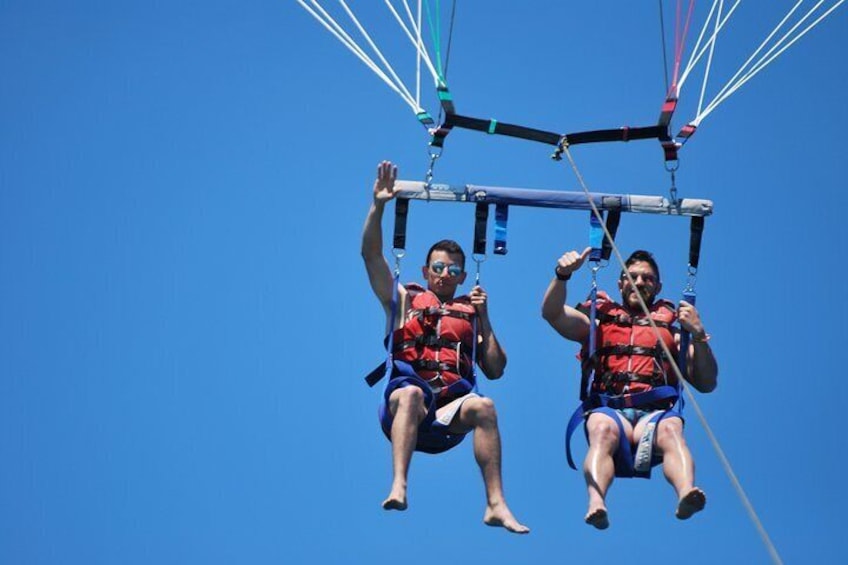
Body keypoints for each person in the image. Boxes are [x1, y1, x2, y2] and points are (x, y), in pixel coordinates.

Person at [361, 160, 529, 534]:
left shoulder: (470, 312)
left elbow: (496, 370)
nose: (444, 276)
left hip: (449, 415)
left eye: (453, 272)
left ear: (463, 277)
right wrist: (379, 206)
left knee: (485, 406)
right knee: (409, 396)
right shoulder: (403, 301)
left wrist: (485, 319)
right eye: (438, 268)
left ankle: (496, 504)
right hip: (406, 410)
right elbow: (371, 256)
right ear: (425, 271)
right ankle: (399, 484)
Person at [541, 247, 718, 530]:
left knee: (672, 431)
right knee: (601, 431)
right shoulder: (598, 321)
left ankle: (686, 492)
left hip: (656, 414)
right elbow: (552, 314)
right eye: (632, 276)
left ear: (657, 286)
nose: (639, 282)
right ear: (621, 283)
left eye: (647, 278)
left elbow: (707, 382)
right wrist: (562, 275)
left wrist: (697, 335)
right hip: (609, 410)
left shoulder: (673, 329)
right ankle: (596, 503)